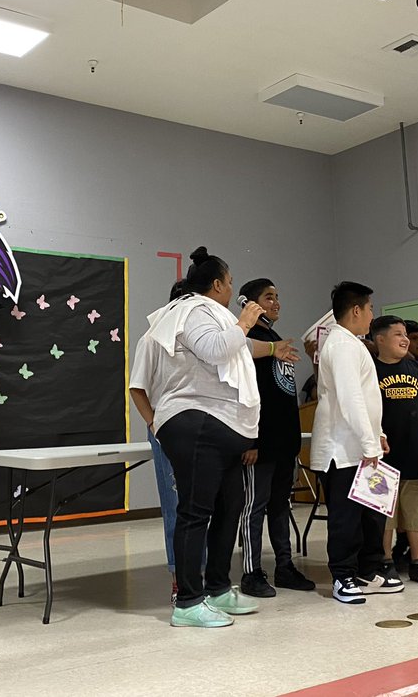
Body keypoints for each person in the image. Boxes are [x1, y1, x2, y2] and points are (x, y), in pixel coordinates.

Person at [146, 247, 265, 627]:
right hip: (195, 420)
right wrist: (244, 321)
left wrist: (273, 345)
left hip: (223, 425)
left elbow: (236, 349)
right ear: (217, 285)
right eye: (230, 282)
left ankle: (216, 588)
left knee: (230, 507)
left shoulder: (210, 314)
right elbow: (215, 350)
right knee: (196, 512)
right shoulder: (195, 309)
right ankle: (187, 602)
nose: (233, 289)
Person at [310, 281, 403, 605]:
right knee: (345, 518)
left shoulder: (351, 343)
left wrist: (377, 436)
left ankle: (367, 570)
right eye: (370, 309)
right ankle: (343, 576)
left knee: (368, 514)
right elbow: (350, 400)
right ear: (356, 310)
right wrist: (369, 443)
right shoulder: (343, 345)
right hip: (343, 451)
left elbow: (365, 398)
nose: (371, 315)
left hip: (360, 447)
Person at [237, 278, 316, 596]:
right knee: (254, 506)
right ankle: (251, 572)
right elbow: (244, 392)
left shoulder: (275, 338)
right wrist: (251, 440)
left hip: (284, 441)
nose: (276, 303)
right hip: (261, 442)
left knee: (281, 505)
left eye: (277, 297)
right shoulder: (247, 338)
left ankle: (285, 566)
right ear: (250, 304)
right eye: (268, 297)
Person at [371, 316, 418, 585]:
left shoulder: (416, 369)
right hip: (384, 458)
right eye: (398, 334)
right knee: (385, 513)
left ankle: (417, 561)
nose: (405, 339)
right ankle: (386, 561)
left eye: (406, 334)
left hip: (416, 454)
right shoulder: (370, 370)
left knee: (416, 513)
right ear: (380, 339)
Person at [129, 280, 189, 604]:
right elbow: (137, 388)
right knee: (175, 505)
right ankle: (179, 578)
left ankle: (203, 573)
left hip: (199, 430)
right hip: (167, 430)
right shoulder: (151, 339)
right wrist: (154, 422)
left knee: (201, 504)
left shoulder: (197, 342)